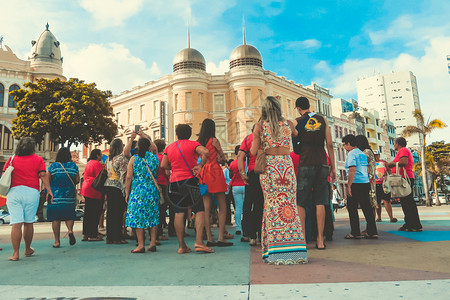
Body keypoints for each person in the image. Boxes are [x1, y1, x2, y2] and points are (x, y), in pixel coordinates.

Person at [250, 96, 307, 264]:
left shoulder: (260, 126)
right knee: (289, 206)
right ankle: (295, 250)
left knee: (272, 207)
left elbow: (253, 151)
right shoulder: (288, 124)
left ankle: (274, 251)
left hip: (270, 169)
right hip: (286, 167)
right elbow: (296, 133)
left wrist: (260, 137)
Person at [161, 124, 214, 254]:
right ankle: (199, 242)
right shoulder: (192, 144)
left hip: (174, 182)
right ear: (189, 134)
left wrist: (173, 167)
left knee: (179, 213)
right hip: (189, 181)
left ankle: (181, 246)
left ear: (177, 134)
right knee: (199, 210)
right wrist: (200, 165)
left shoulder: (169, 147)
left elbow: (163, 165)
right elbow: (206, 152)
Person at [294, 96, 336, 250]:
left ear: (299, 108)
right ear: (309, 106)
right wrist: (332, 167)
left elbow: (296, 147)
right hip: (322, 163)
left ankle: (303, 239)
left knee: (301, 202)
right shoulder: (322, 119)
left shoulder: (297, 122)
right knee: (320, 202)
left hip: (305, 163)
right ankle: (320, 240)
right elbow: (330, 144)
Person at [2, 137, 53, 261]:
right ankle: (27, 249)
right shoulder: (38, 159)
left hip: (14, 192)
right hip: (31, 192)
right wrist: (49, 191)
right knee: (29, 222)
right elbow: (43, 175)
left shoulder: (12, 159)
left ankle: (15, 253)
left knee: (16, 223)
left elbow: (4, 175)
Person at [197, 118, 233, 247]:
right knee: (222, 205)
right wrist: (222, 159)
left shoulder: (199, 142)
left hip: (203, 173)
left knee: (206, 206)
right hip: (215, 171)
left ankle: (209, 237)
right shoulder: (214, 140)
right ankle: (220, 237)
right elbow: (222, 156)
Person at [125, 137, 160, 253]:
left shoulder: (134, 159)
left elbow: (129, 177)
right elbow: (157, 173)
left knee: (138, 217)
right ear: (149, 146)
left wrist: (127, 192)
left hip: (138, 191)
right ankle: (153, 242)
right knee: (153, 216)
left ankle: (140, 244)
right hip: (152, 191)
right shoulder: (155, 158)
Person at [342, 134, 378, 239]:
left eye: (344, 145)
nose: (344, 147)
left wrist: (349, 186)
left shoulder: (351, 154)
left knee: (352, 208)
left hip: (356, 183)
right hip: (365, 182)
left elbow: (352, 169)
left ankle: (355, 232)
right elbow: (366, 169)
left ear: (349, 143)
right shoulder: (362, 154)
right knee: (366, 207)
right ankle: (372, 231)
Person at [104, 134, 134, 244]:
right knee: (118, 212)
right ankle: (117, 237)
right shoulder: (121, 158)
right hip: (118, 186)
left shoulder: (108, 159)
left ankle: (110, 236)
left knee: (110, 212)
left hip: (108, 185)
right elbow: (125, 175)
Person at [387, 137, 422, 232]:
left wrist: (391, 164)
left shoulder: (403, 150)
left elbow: (404, 162)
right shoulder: (403, 151)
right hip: (405, 179)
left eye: (394, 143)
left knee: (408, 202)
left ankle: (413, 224)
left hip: (405, 179)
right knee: (406, 202)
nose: (394, 145)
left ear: (398, 143)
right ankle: (410, 223)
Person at [47, 147, 80, 248]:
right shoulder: (73, 166)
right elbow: (77, 180)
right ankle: (70, 230)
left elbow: (48, 180)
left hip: (56, 195)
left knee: (56, 218)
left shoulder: (53, 166)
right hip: (69, 194)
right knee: (69, 215)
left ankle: (57, 241)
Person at [237, 126, 264, 246]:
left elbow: (240, 157)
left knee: (248, 205)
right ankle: (260, 234)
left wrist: (243, 174)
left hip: (252, 174)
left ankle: (248, 234)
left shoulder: (248, 138)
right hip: (265, 173)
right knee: (260, 205)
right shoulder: (266, 137)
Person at [80, 149, 104, 241]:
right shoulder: (97, 164)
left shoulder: (89, 162)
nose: (101, 156)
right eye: (100, 154)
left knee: (88, 212)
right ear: (97, 155)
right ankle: (92, 234)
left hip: (86, 188)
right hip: (94, 189)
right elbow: (100, 177)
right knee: (95, 212)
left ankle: (85, 233)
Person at [154, 139, 172, 241]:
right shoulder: (164, 158)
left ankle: (154, 232)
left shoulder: (153, 158)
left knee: (155, 208)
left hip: (154, 184)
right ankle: (159, 233)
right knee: (162, 208)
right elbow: (167, 173)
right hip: (163, 184)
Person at [374, 151, 397, 222]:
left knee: (387, 200)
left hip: (384, 184)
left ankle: (391, 217)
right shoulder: (370, 163)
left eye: (377, 155)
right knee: (377, 202)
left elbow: (389, 170)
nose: (376, 157)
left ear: (379, 155)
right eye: (374, 155)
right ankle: (379, 217)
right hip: (375, 184)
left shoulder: (384, 162)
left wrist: (389, 177)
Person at [355, 135, 378, 209]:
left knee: (369, 202)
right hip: (370, 179)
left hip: (368, 179)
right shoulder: (368, 151)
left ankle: (371, 219)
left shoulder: (366, 152)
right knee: (370, 202)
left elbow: (364, 163)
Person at [229, 146, 245, 235]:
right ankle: (247, 227)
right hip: (245, 186)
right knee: (247, 208)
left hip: (236, 186)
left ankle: (238, 228)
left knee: (238, 208)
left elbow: (231, 175)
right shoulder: (246, 163)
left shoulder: (233, 164)